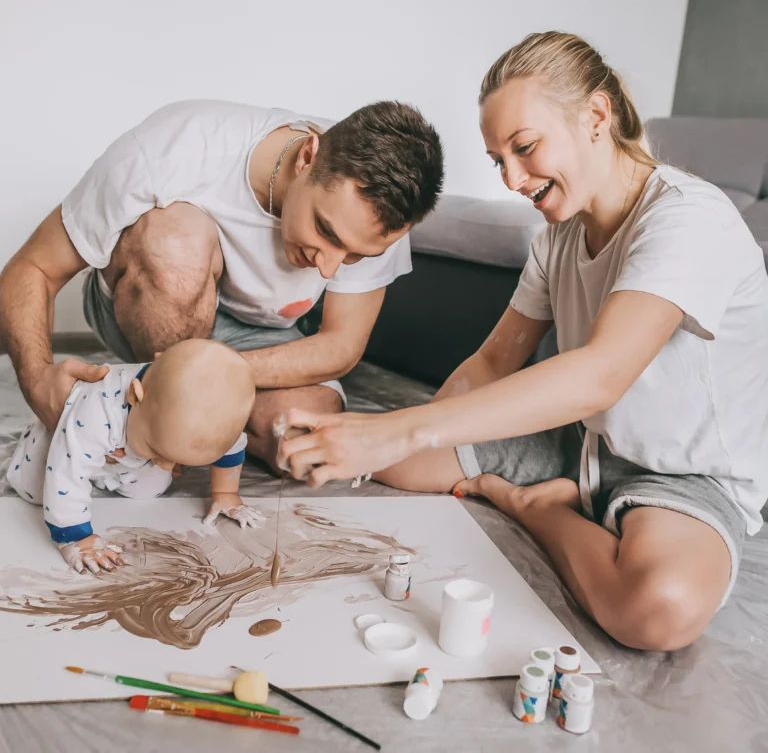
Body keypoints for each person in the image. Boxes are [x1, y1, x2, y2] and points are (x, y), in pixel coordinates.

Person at [279, 32, 768, 652]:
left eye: (525, 147)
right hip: (580, 442)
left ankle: (537, 509)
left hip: (682, 473)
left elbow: (601, 375)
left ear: (596, 116)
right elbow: (493, 361)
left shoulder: (688, 220)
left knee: (657, 611)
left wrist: (398, 430)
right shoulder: (557, 238)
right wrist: (396, 433)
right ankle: (568, 493)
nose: (511, 177)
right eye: (497, 159)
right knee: (385, 461)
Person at [0, 99, 444, 473]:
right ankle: (158, 405)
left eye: (353, 255)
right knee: (175, 238)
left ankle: (174, 416)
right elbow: (33, 267)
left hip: (261, 333)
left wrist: (211, 373)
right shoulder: (173, 151)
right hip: (148, 297)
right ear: (308, 157)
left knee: (304, 441)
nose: (329, 270)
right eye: (325, 232)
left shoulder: (382, 218)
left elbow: (341, 345)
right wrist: (39, 381)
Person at [7, 339, 260, 574]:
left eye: (174, 459)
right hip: (68, 432)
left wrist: (226, 494)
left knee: (149, 490)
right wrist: (77, 538)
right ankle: (37, 439)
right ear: (134, 395)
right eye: (159, 452)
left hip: (126, 451)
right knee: (34, 491)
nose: (166, 465)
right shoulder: (95, 411)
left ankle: (105, 471)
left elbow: (230, 446)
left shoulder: (218, 418)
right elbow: (66, 473)